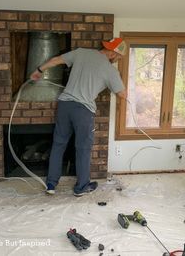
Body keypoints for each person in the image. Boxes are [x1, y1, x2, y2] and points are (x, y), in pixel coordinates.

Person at [30, 37, 127, 196]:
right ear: (113, 53)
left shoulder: (81, 53)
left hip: (64, 105)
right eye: (118, 57)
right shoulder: (111, 71)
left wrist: (39, 70)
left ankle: (51, 185)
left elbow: (55, 60)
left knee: (58, 144)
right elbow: (122, 94)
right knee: (83, 148)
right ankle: (81, 187)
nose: (117, 60)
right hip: (83, 110)